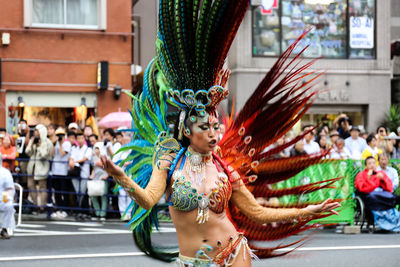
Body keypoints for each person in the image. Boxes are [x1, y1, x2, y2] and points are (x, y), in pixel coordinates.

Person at [355, 156, 400, 232]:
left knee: (394, 197)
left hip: (381, 196)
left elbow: (389, 188)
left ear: (376, 164)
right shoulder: (361, 174)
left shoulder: (380, 173)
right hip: (368, 196)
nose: (372, 165)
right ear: (366, 166)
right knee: (373, 196)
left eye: (373, 163)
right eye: (369, 163)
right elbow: (362, 188)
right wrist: (368, 178)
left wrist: (383, 179)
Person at [26, 124, 53, 212]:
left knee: (42, 187)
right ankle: (35, 205)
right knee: (31, 186)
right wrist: (31, 144)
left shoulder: (47, 142)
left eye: (37, 131)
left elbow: (44, 155)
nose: (35, 132)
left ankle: (42, 206)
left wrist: (39, 146)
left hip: (42, 168)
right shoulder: (33, 140)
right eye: (35, 131)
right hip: (32, 167)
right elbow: (27, 152)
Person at [69, 132, 92, 220]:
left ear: (84, 139)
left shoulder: (88, 149)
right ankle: (79, 210)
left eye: (81, 138)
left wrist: (74, 162)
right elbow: (71, 157)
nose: (79, 140)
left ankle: (83, 211)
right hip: (75, 172)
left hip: (84, 173)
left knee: (82, 192)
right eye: (78, 139)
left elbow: (85, 158)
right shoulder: (74, 148)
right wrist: (71, 161)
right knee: (77, 192)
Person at [49, 127, 71, 218]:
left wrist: (61, 143)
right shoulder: (56, 143)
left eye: (61, 135)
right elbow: (51, 154)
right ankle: (58, 208)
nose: (59, 137)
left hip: (63, 171)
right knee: (57, 191)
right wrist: (54, 143)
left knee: (64, 191)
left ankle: (65, 209)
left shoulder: (67, 144)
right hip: (55, 170)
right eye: (58, 135)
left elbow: (62, 154)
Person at [89, 142, 108, 221]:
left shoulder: (105, 157)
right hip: (95, 178)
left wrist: (107, 175)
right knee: (93, 195)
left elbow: (108, 167)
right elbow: (93, 168)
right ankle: (97, 213)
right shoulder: (93, 157)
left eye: (98, 148)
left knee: (103, 196)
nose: (96, 150)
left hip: (103, 177)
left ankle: (103, 214)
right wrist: (92, 175)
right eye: (95, 148)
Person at [0, 158, 15, 239]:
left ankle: (4, 229)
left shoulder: (5, 172)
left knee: (8, 205)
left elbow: (9, 188)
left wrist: (5, 199)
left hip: (2, 198)